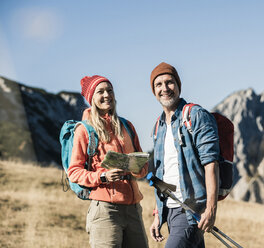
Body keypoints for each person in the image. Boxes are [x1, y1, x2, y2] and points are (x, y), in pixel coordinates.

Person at [68, 75, 148, 248]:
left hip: (134, 208)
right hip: (105, 210)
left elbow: (143, 169)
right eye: (100, 92)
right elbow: (73, 172)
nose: (106, 95)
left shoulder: (127, 126)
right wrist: (103, 176)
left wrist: (136, 168)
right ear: (92, 99)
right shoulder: (84, 130)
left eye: (109, 90)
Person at [149, 62, 220, 248]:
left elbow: (211, 163)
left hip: (190, 209)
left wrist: (211, 208)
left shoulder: (196, 115)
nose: (165, 88)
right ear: (153, 91)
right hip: (170, 212)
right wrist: (158, 214)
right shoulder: (158, 126)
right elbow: (163, 174)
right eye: (159, 84)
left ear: (178, 85)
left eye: (169, 82)